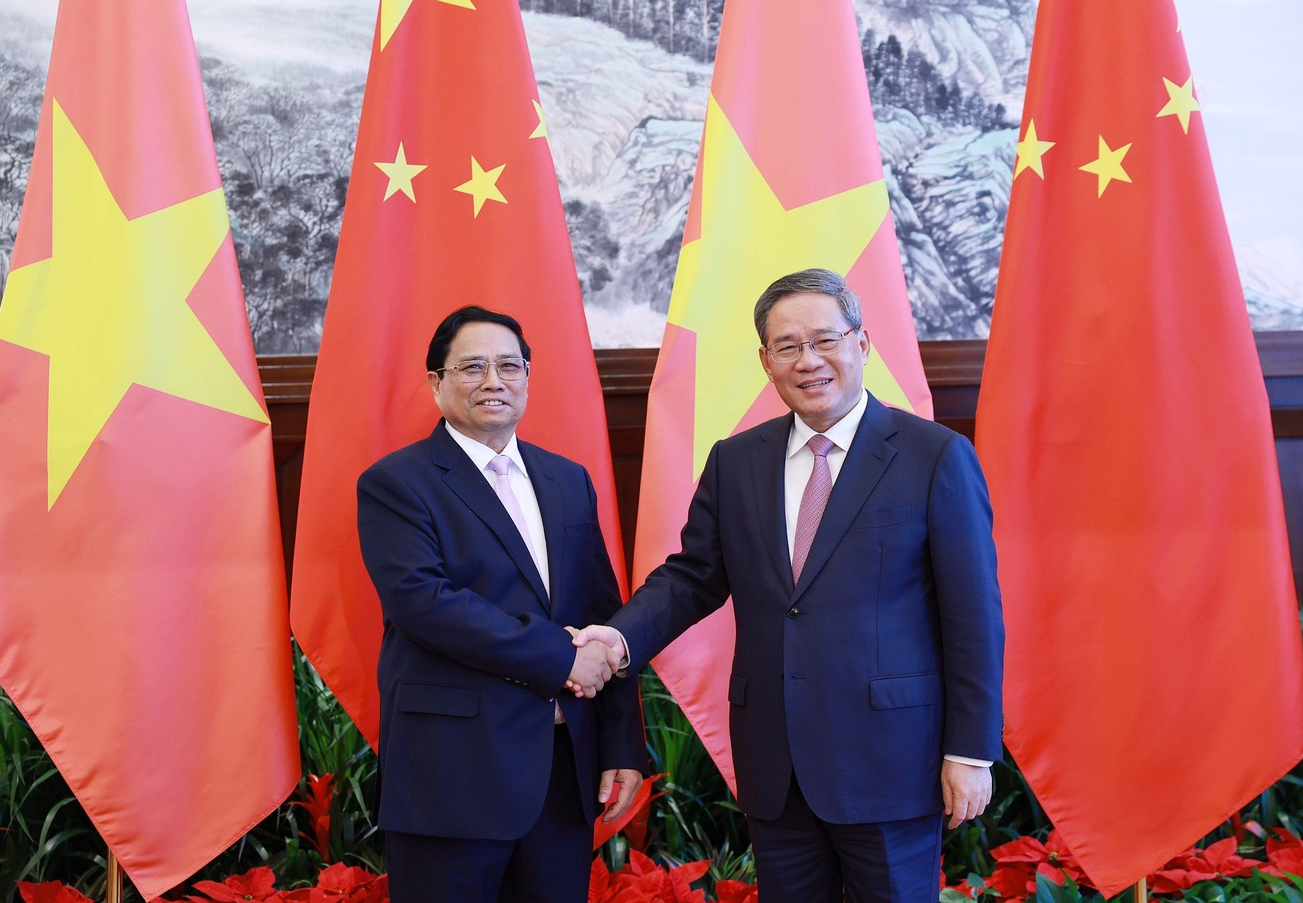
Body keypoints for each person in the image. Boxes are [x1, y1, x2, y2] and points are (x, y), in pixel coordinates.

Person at [572, 268, 1004, 902]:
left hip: (891, 761)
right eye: (788, 346)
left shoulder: (933, 456)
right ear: (765, 360)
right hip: (777, 762)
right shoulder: (737, 460)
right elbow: (693, 577)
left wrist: (970, 750)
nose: (810, 361)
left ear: (861, 342)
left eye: (826, 340)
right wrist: (615, 638)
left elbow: (973, 614)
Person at [357, 306, 646, 903]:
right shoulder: (397, 483)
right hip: (452, 778)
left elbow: (602, 614)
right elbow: (422, 602)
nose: (494, 381)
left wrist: (620, 744)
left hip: (562, 777)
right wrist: (559, 657)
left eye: (509, 366)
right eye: (473, 367)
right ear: (437, 383)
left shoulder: (568, 480)